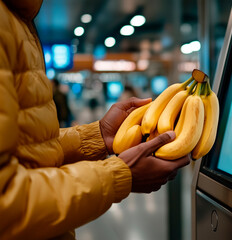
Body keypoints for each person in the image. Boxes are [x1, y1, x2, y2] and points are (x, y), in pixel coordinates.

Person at [0, 1, 190, 240]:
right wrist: (118, 175)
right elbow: (6, 204)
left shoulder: (19, 17)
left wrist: (99, 134)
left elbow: (27, 148)